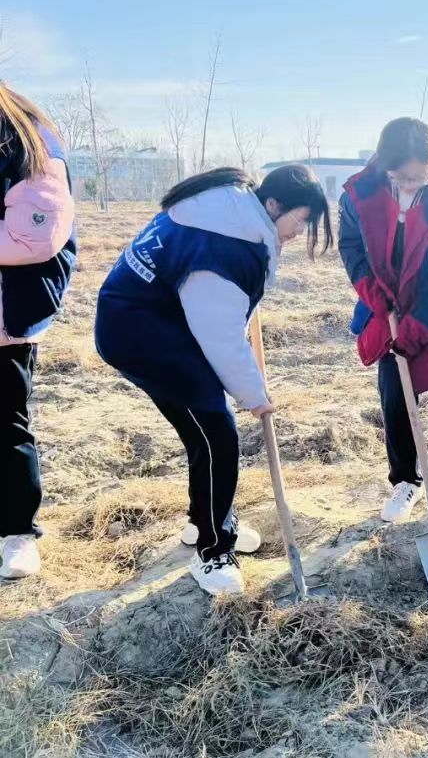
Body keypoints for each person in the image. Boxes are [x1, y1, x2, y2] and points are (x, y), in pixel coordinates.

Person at [95, 165, 331, 595]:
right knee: (217, 431)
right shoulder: (224, 244)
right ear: (273, 205)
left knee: (201, 429)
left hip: (151, 321)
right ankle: (212, 550)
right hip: (140, 332)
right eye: (300, 220)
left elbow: (216, 312)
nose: (299, 232)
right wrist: (254, 395)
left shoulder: (230, 210)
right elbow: (219, 335)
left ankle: (204, 519)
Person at [339, 118, 428, 523]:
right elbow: (352, 248)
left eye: (418, 177)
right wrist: (377, 297)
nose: (408, 185)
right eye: (400, 177)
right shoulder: (359, 196)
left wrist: (415, 331)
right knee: (395, 396)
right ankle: (406, 480)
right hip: (388, 308)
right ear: (384, 165)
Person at [0, 83, 77, 580]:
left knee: (5, 427)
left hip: (4, 320)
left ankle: (17, 533)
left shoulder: (28, 141)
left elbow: (33, 236)